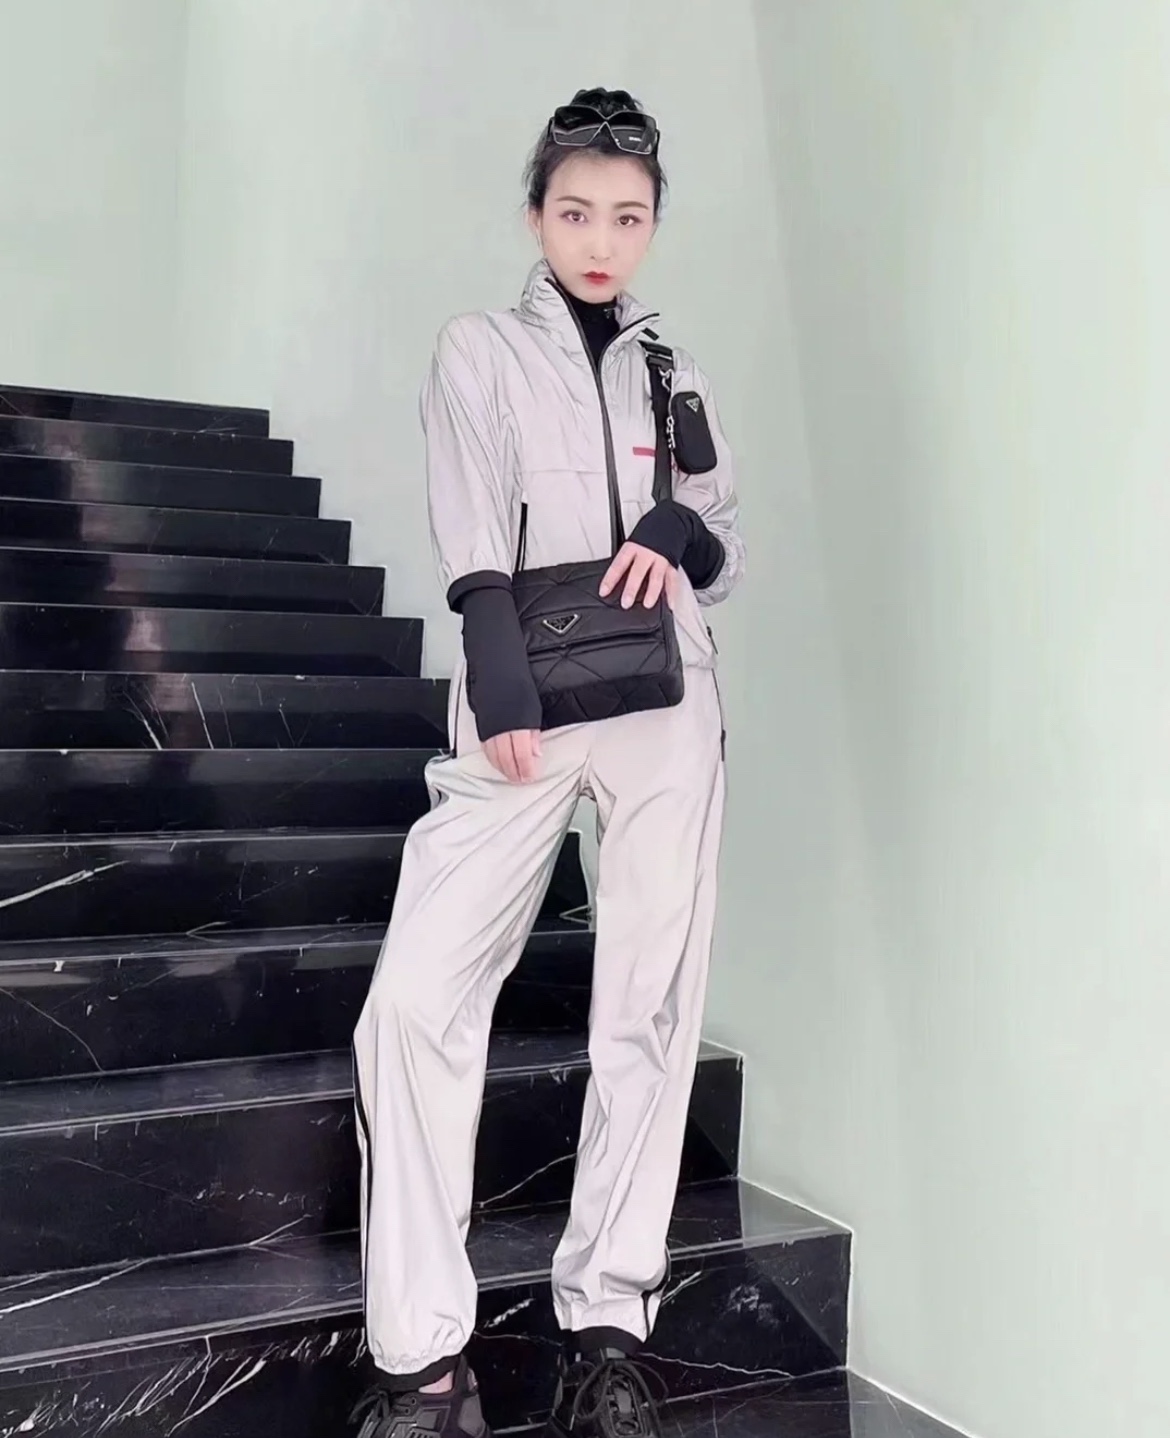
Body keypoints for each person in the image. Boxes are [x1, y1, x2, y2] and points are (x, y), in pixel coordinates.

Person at [349, 87, 746, 1438]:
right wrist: (493, 662)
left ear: (652, 228)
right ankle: (419, 1350)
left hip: (665, 703)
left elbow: (722, 545)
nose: (599, 240)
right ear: (536, 216)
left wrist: (679, 531)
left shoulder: (672, 370)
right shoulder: (477, 349)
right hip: (525, 695)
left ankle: (607, 1325)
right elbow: (471, 522)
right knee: (414, 1002)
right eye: (575, 212)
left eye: (627, 218)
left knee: (648, 1005)